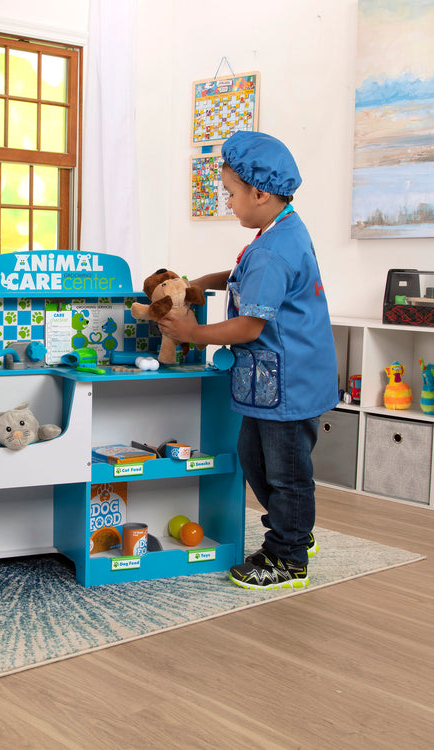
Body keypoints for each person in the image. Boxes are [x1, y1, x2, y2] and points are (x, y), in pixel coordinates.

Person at [158, 131, 337, 590]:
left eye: (232, 194)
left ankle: (288, 556)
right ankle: (295, 527)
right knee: (254, 457)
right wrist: (199, 283)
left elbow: (249, 326)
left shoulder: (274, 250)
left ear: (259, 192)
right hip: (276, 378)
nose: (229, 203)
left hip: (287, 380)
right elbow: (240, 277)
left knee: (285, 471)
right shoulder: (276, 232)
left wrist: (192, 332)